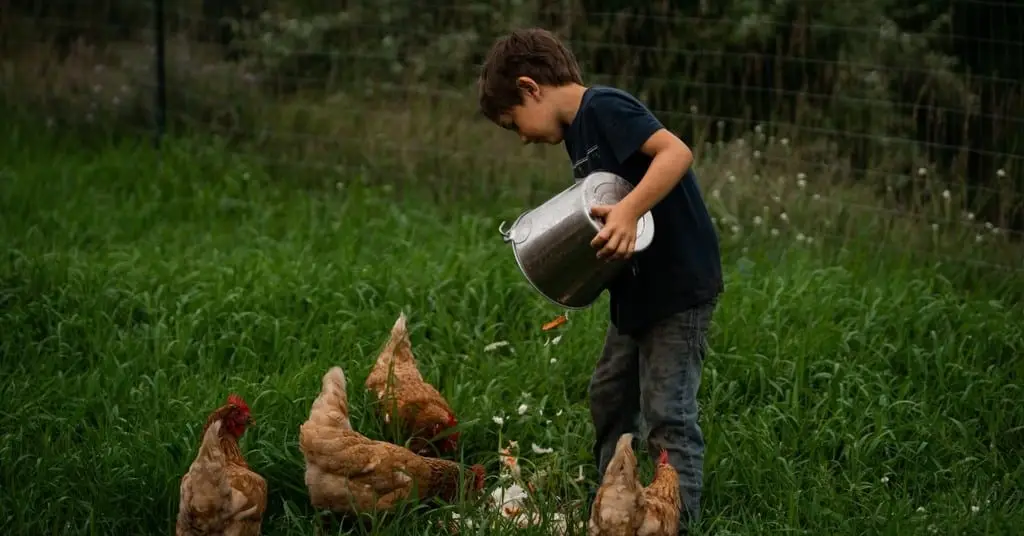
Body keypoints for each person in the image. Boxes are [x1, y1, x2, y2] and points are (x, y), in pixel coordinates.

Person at [477, 28, 724, 531]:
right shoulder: (577, 134)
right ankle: (613, 510)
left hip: (677, 290)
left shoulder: (605, 108)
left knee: (667, 412)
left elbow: (676, 152)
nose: (522, 137)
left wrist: (630, 211)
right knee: (609, 395)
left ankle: (679, 520)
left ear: (530, 88)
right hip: (635, 292)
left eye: (514, 124)